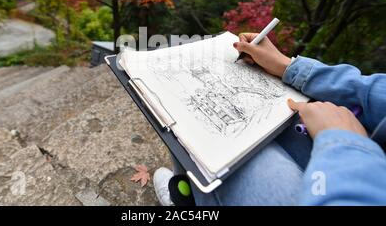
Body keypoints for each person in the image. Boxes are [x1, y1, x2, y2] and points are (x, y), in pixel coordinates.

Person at [153, 32, 386, 206]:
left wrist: (343, 145)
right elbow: (375, 90)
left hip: (354, 182)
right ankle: (188, 197)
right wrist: (288, 67)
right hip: (359, 149)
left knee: (229, 157)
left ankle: (188, 200)